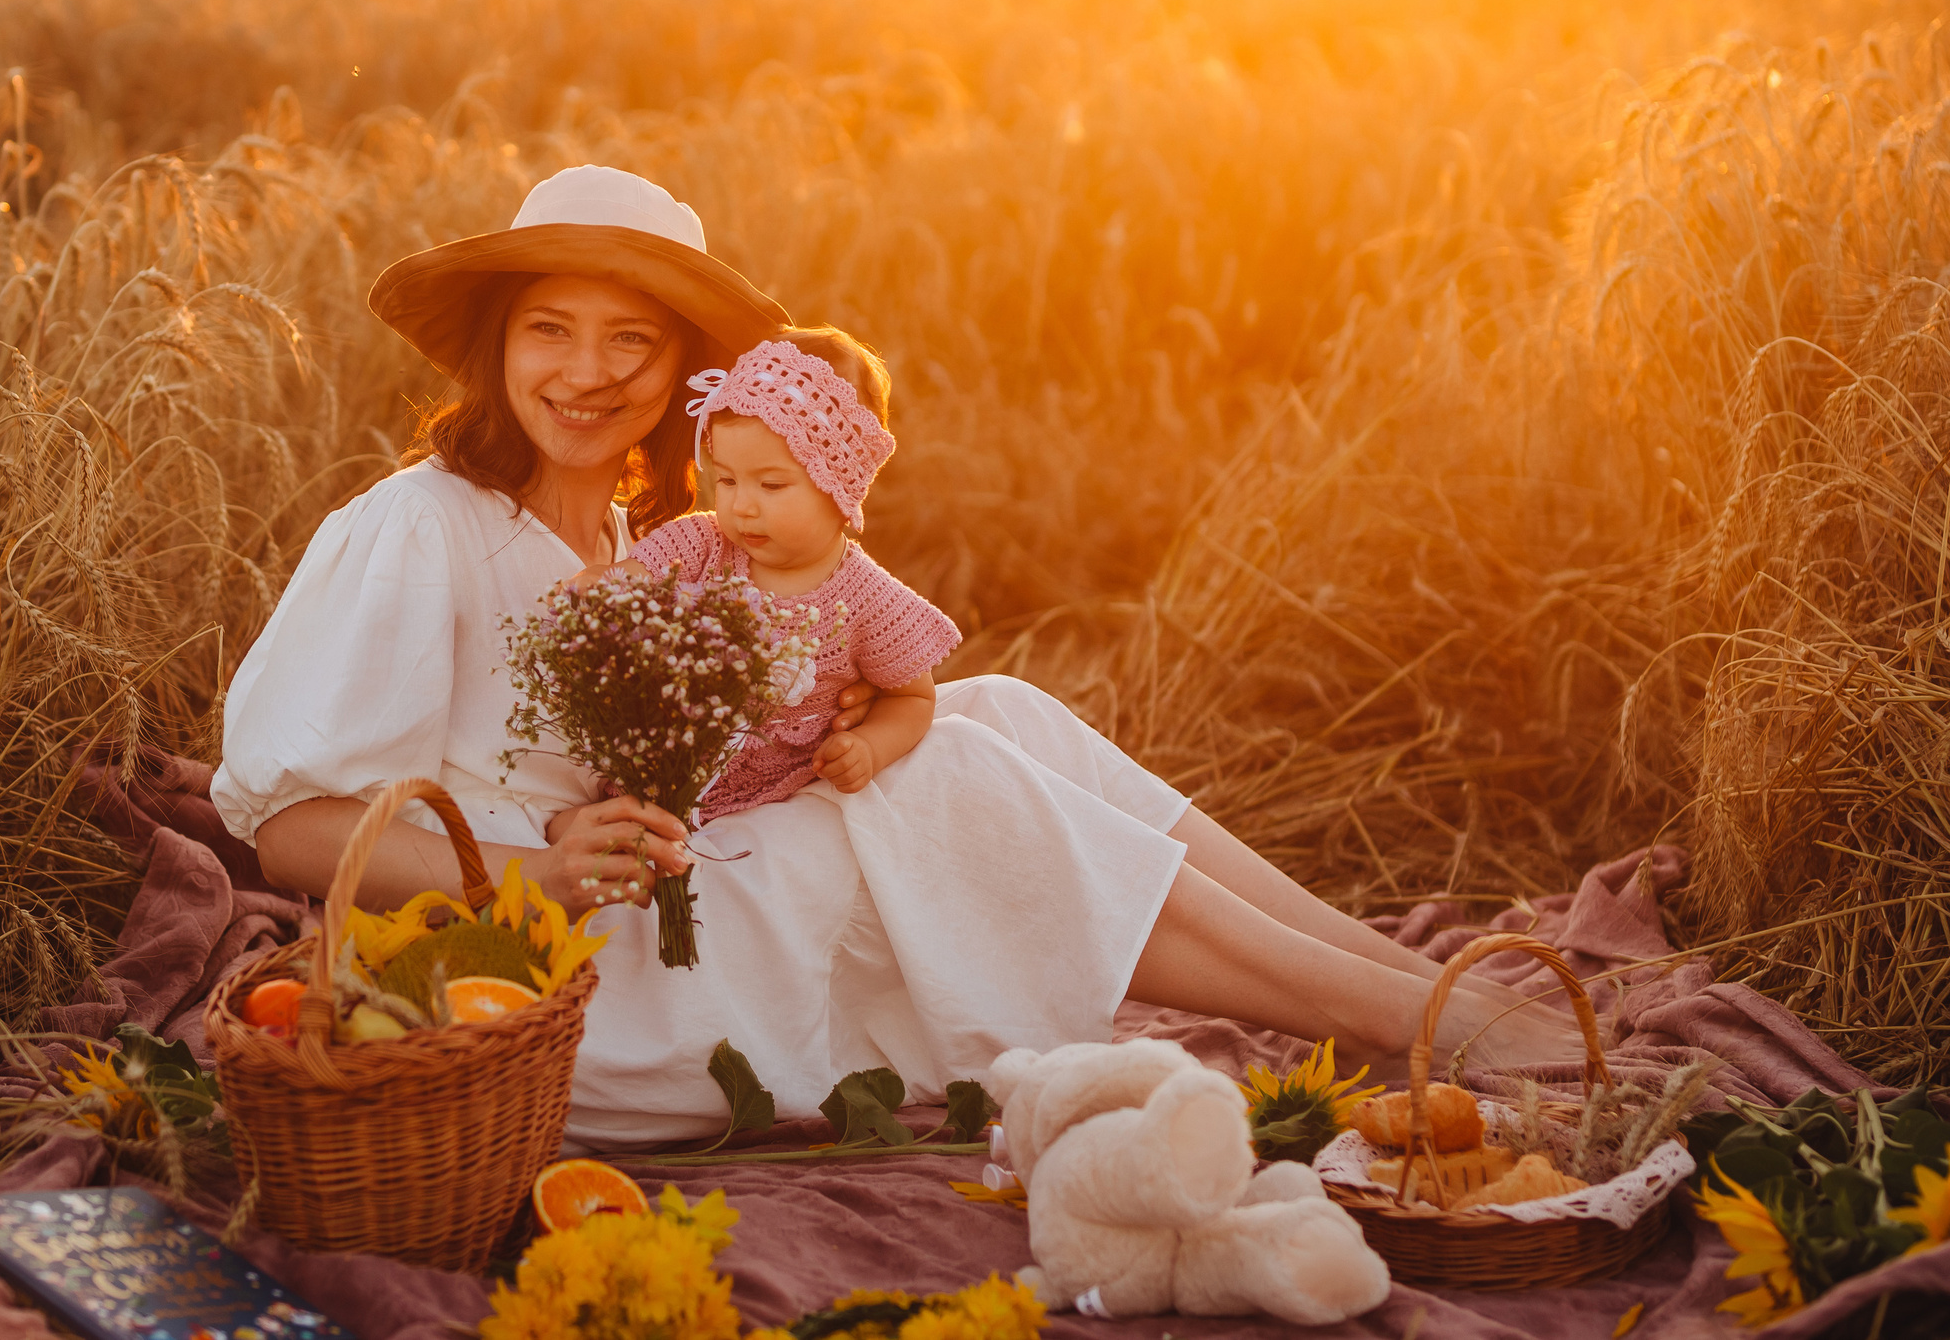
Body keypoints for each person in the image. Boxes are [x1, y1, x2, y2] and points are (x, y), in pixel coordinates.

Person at [211, 164, 1581, 1147]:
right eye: (550, 331)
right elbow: (294, 832)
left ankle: (1413, 983)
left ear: (690, 371)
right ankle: (1432, 1024)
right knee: (956, 780)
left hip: (675, 891)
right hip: (549, 983)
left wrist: (818, 708)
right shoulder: (415, 526)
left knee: (994, 710)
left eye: (634, 337)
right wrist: (539, 871)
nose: (588, 371)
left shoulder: (644, 527)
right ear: (497, 348)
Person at [606, 326, 960, 825]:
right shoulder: (702, 543)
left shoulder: (870, 602)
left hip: (777, 800)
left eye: (771, 484)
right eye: (726, 479)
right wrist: (596, 589)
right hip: (656, 770)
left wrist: (868, 746)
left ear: (839, 488)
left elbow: (913, 697)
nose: (741, 506)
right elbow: (625, 580)